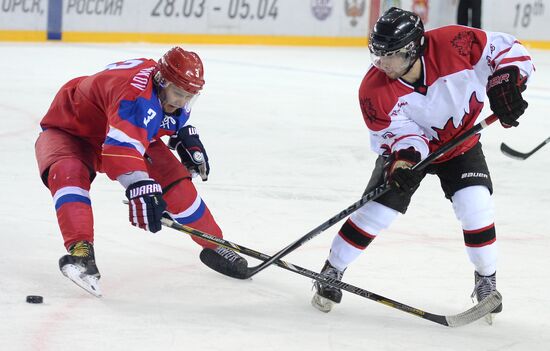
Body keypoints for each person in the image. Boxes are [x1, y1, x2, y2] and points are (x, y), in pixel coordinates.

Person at [311, 7, 533, 320]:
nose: (382, 64)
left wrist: (505, 81)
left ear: (412, 49)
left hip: (461, 145)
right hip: (417, 151)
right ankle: (332, 270)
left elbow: (510, 50)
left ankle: (486, 281)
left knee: (476, 206)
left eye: (390, 56)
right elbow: (397, 135)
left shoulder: (455, 43)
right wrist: (403, 163)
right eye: (377, 55)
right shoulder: (373, 91)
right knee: (377, 211)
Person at [35, 46, 247, 297]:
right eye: (178, 93)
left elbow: (149, 122)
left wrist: (181, 134)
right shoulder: (135, 97)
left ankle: (214, 243)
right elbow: (118, 151)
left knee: (176, 182)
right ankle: (81, 253)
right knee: (68, 174)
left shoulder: (168, 90)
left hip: (120, 127)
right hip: (72, 128)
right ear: (162, 80)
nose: (182, 101)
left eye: (189, 95)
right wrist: (141, 187)